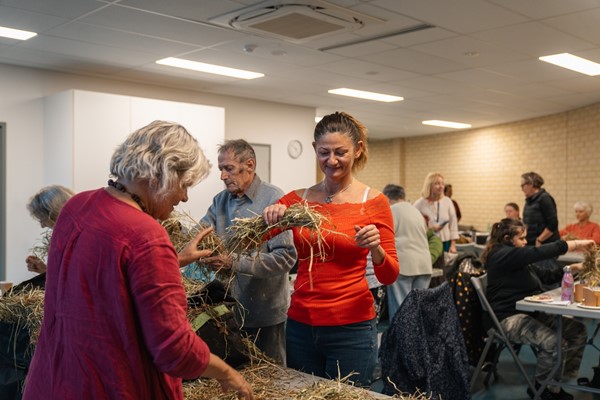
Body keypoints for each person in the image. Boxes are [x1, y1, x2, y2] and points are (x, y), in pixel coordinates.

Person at [23, 121, 254, 400]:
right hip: (113, 386)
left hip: (55, 381)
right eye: (184, 184)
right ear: (163, 174)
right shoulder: (146, 234)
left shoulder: (77, 206)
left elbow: (108, 279)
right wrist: (229, 374)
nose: (184, 197)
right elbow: (174, 349)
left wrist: (174, 260)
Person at [262, 111, 399, 387]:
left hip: (352, 329)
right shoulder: (297, 200)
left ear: (358, 150)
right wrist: (269, 216)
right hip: (301, 326)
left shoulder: (373, 202)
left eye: (340, 152)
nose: (332, 161)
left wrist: (376, 250)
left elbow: (389, 275)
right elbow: (247, 241)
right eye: (324, 152)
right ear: (315, 150)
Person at [199, 139, 297, 365]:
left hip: (264, 315)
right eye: (221, 169)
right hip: (229, 312)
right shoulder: (221, 200)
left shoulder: (273, 199)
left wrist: (234, 262)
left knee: (271, 378)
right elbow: (201, 231)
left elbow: (285, 259)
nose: (223, 176)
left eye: (229, 168)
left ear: (250, 165)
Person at [482, 218, 594, 400]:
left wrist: (573, 268)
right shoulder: (500, 255)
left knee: (577, 330)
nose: (526, 242)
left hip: (529, 313)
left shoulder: (518, 259)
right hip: (507, 318)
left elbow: (547, 276)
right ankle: (542, 389)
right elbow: (537, 252)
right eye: (522, 238)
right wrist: (576, 244)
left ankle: (556, 382)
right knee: (552, 342)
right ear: (507, 237)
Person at [382, 184, 432, 318]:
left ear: (386, 198)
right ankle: (417, 339)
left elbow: (385, 238)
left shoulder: (391, 210)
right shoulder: (416, 211)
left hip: (404, 266)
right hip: (424, 265)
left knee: (402, 312)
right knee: (418, 311)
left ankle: (401, 339)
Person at [24, 185, 75, 276]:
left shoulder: (80, 240)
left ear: (54, 214)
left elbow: (73, 280)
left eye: (42, 219)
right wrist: (45, 271)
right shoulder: (68, 237)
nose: (42, 226)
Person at [414, 172, 459, 254]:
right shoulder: (419, 203)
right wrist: (430, 228)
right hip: (428, 241)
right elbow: (413, 223)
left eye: (442, 183)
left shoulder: (447, 201)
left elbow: (453, 224)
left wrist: (453, 244)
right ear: (429, 185)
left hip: (445, 242)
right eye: (437, 184)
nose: (441, 186)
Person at [521, 172, 559, 247]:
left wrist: (539, 239)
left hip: (544, 245)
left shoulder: (545, 199)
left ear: (531, 184)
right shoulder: (529, 201)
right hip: (531, 244)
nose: (521, 189)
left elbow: (553, 223)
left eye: (522, 185)